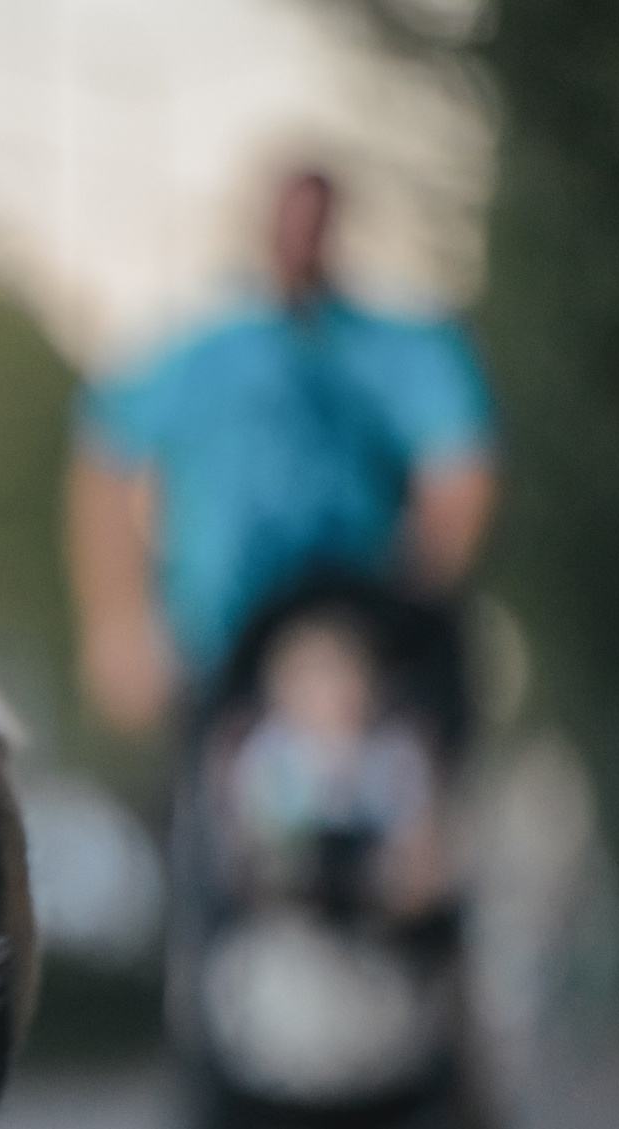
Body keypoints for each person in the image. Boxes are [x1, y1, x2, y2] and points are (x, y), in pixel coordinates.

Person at [66, 167, 498, 735]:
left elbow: (460, 468)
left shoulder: (402, 348)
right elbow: (105, 456)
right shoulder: (201, 354)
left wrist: (417, 582)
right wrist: (118, 626)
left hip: (363, 631)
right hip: (222, 645)